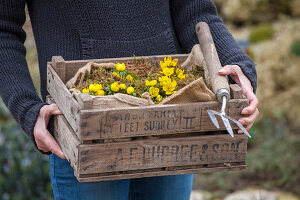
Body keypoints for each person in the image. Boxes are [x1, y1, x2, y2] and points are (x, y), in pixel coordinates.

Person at [0, 0, 259, 199]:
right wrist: (27, 108)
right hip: (84, 129)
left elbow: (193, 9)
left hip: (172, 117)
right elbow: (4, 28)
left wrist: (234, 65)